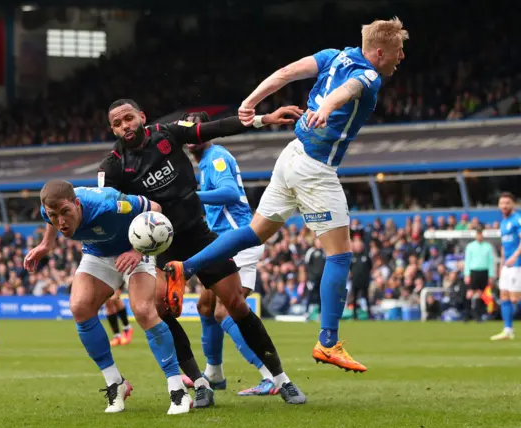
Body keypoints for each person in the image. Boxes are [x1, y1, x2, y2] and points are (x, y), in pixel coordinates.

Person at [167, 17, 410, 373]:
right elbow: (351, 90)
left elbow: (285, 73)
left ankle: (184, 267)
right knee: (340, 256)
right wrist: (326, 110)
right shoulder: (370, 74)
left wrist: (249, 103)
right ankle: (328, 342)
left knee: (255, 233)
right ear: (378, 52)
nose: (401, 56)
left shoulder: (333, 55)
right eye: (398, 51)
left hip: (292, 154)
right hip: (315, 168)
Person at [99, 99, 306, 405]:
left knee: (235, 304)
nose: (124, 126)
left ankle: (281, 379)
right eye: (117, 124)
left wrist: (265, 119)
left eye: (128, 118)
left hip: (200, 237)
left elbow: (217, 127)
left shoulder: (168, 134)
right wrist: (129, 247)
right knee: (161, 311)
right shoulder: (113, 166)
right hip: (163, 248)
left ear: (141, 117)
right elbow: (110, 208)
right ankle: (200, 382)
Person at [23, 180, 191, 414]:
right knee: (80, 307)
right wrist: (46, 244)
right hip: (97, 254)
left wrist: (137, 251)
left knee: (143, 310)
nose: (60, 221)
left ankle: (178, 390)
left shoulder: (109, 204)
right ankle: (115, 383)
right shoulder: (48, 210)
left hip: (133, 251)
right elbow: (50, 221)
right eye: (53, 215)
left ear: (77, 203)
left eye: (66, 212)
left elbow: (155, 208)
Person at [179, 111, 277, 396]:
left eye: (198, 128)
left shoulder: (216, 158)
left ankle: (270, 374)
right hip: (220, 242)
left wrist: (192, 196)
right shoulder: (204, 163)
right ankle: (215, 374)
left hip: (237, 240)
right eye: (189, 130)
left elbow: (231, 193)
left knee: (225, 311)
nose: (193, 135)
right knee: (205, 308)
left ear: (206, 132)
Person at [491, 192, 521, 340]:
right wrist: (502, 263)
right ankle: (508, 330)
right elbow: (504, 245)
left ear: (513, 204)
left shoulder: (517, 219)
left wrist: (515, 256)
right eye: (502, 203)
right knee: (504, 296)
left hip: (518, 264)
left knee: (516, 298)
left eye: (507, 203)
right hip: (507, 265)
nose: (504, 206)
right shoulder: (503, 222)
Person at [463, 227, 495, 322]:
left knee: (481, 294)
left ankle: (478, 315)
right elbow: (467, 261)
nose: (479, 236)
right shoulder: (470, 246)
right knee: (469, 293)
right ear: (476, 235)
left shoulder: (488, 247)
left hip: (484, 272)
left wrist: (491, 275)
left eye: (481, 234)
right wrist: (467, 274)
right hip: (474, 272)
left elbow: (490, 261)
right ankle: (467, 314)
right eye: (478, 234)